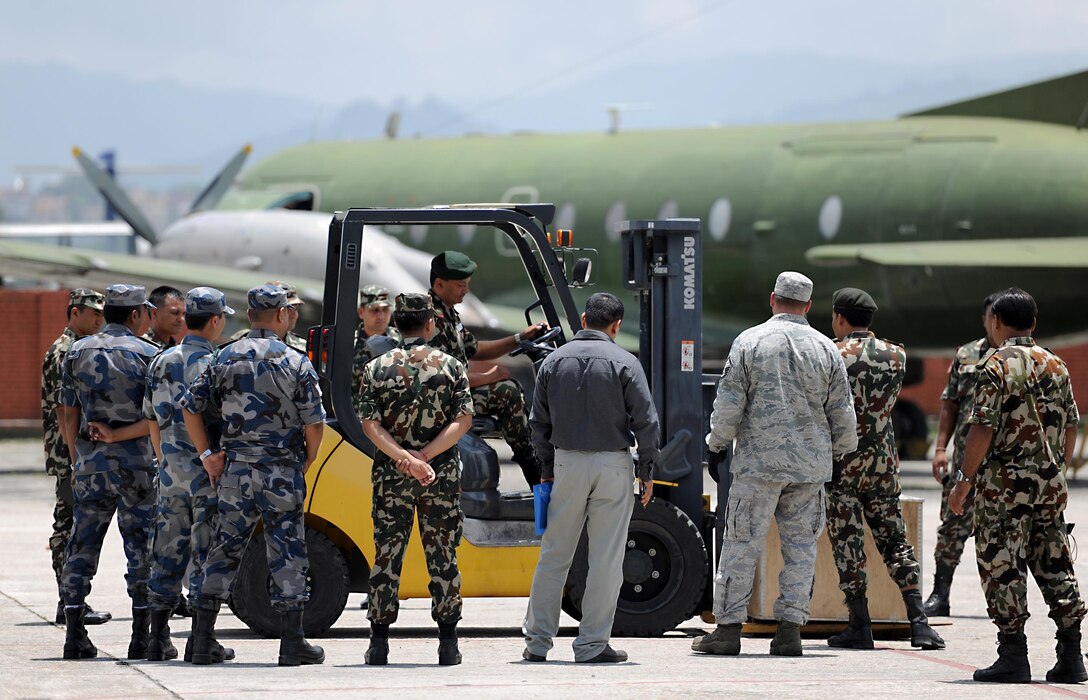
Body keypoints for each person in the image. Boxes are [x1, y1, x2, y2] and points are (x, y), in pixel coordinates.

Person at [692, 271, 856, 657]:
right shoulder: (826, 348)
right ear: (809, 306)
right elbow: (843, 415)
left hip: (758, 467)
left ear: (772, 299)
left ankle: (728, 630)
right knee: (801, 549)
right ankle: (789, 632)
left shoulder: (750, 341)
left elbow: (729, 403)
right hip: (809, 468)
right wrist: (839, 451)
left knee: (741, 545)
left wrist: (716, 444)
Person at [181, 284, 326, 666]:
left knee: (224, 549)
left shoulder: (224, 357)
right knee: (288, 549)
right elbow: (314, 422)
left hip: (236, 472)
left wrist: (208, 455)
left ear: (249, 315)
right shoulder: (294, 360)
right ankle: (292, 642)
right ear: (281, 315)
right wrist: (307, 460)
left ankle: (201, 639)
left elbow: (190, 408)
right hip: (281, 469)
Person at [950, 287, 1086, 684]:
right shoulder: (1057, 365)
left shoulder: (995, 365)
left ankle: (1013, 654)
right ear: (1034, 323)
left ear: (995, 322)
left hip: (1004, 488)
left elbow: (982, 427)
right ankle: (1071, 653)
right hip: (1048, 485)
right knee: (1055, 562)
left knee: (1001, 565)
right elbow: (1072, 423)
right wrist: (1057, 466)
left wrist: (965, 480)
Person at [522, 292, 659, 664]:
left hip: (566, 464)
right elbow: (646, 423)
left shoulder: (553, 361)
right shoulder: (626, 362)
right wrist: (646, 472)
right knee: (606, 559)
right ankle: (591, 644)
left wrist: (548, 470)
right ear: (616, 326)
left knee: (555, 553)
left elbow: (538, 424)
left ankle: (537, 642)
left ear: (583, 319)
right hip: (613, 465)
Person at [823, 288, 944, 650]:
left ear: (840, 318)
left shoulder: (831, 353)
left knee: (848, 542)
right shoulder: (898, 355)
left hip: (841, 463)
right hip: (883, 463)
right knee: (895, 540)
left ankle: (859, 625)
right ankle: (920, 623)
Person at [358, 293, 474, 666]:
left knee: (387, 557)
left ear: (397, 325)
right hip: (438, 477)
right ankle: (448, 643)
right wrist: (425, 457)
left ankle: (378, 643)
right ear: (430, 324)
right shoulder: (452, 366)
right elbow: (463, 421)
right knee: (443, 555)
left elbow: (370, 425)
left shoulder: (376, 368)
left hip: (392, 477)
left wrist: (405, 458)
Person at [58, 284, 158, 660]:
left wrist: (76, 458)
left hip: (90, 463)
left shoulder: (77, 351)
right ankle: (140, 635)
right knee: (141, 547)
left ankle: (74, 633)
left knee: (82, 544)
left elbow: (68, 412)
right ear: (136, 314)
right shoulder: (150, 354)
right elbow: (155, 419)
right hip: (137, 466)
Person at [142, 287, 235, 663]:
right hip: (208, 472)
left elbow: (151, 420)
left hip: (170, 473)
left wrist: (165, 460)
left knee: (165, 553)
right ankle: (202, 640)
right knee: (205, 554)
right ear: (215, 321)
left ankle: (157, 638)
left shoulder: (160, 361)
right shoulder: (218, 363)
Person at [428, 251, 550, 487]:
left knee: (507, 387)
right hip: (443, 398)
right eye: (460, 285)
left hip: (455, 392)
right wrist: (486, 377)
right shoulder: (432, 319)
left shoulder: (448, 314)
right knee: (508, 392)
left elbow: (476, 349)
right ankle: (533, 468)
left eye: (467, 284)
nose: (466, 291)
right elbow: (440, 379)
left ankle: (532, 461)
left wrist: (519, 338)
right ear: (439, 284)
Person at [41, 288, 112, 627]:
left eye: (101, 313)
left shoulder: (81, 349)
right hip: (69, 453)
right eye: (92, 313)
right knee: (67, 525)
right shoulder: (64, 352)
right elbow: (64, 408)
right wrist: (74, 461)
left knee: (74, 524)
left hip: (77, 451)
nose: (99, 319)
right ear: (74, 313)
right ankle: (68, 602)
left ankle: (71, 601)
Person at [923, 293, 996, 617]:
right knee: (952, 527)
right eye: (991, 315)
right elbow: (950, 402)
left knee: (1004, 535)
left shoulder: (1027, 357)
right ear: (985, 318)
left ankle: (1005, 602)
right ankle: (940, 594)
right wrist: (940, 448)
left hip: (1007, 466)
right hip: (966, 459)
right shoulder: (966, 355)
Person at [352, 285, 402, 408]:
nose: (381, 316)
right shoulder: (350, 344)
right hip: (357, 419)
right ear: (361, 312)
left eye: (385, 309)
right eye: (374, 310)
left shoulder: (401, 341)